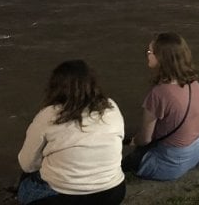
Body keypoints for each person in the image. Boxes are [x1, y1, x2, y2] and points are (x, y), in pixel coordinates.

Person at [17, 60, 125, 205]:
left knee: (26, 180)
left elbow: (27, 164)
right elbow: (119, 138)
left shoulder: (48, 115)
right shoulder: (111, 107)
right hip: (112, 193)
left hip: (66, 198)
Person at [123, 33, 199, 181]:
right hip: (195, 153)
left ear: (161, 58)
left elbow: (146, 139)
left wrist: (134, 141)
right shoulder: (195, 84)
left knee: (128, 156)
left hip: (171, 165)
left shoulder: (159, 94)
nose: (147, 55)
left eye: (150, 52)